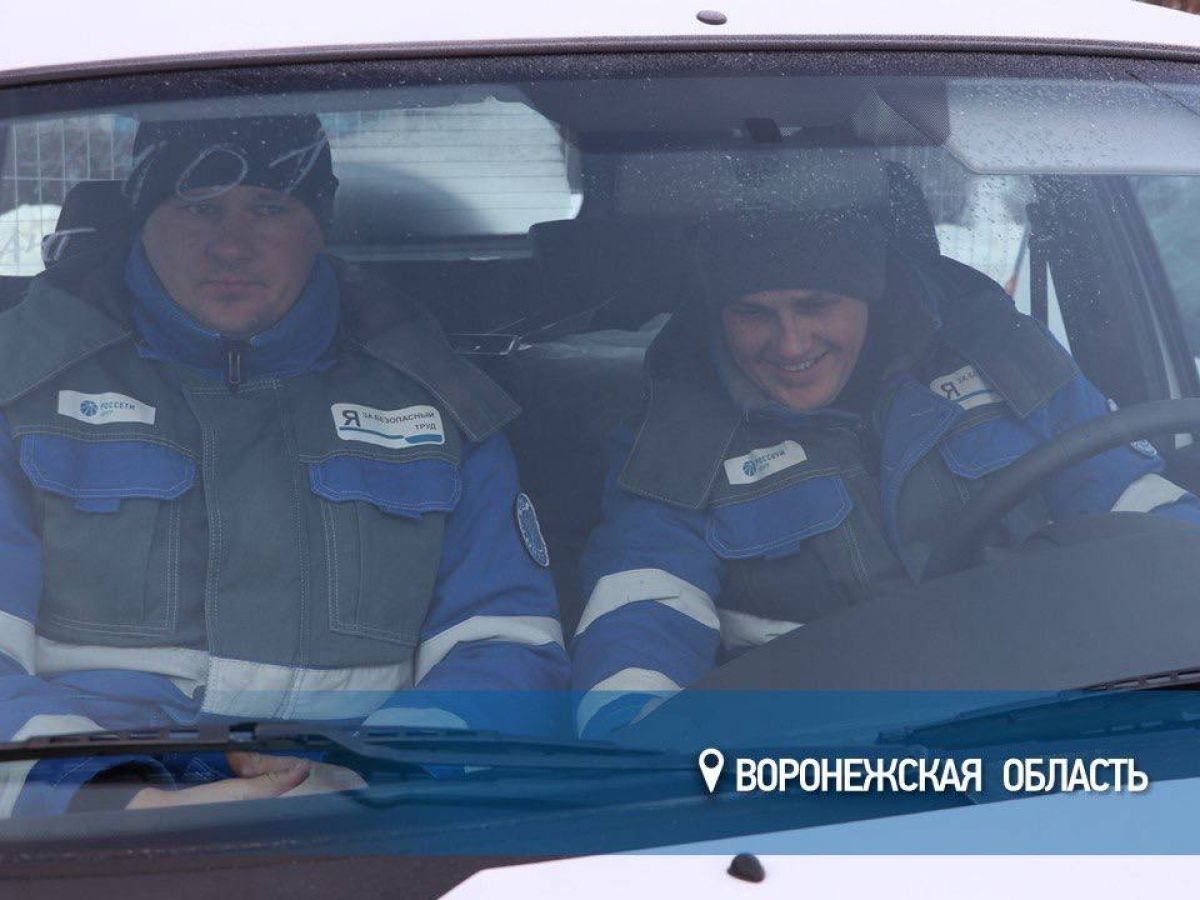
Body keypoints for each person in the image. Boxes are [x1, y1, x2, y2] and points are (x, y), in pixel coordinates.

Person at [0, 115, 569, 815]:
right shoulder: (17, 394)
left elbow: (504, 646)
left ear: (318, 228)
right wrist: (110, 798)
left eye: (270, 209)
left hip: (371, 828)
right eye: (199, 208)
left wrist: (377, 779)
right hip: (88, 837)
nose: (231, 245)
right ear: (144, 221)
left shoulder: (440, 406)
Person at [571, 202, 1200, 739]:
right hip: (826, 758)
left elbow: (1135, 503)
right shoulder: (673, 435)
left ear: (871, 294)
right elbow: (643, 610)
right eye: (753, 313)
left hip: (1069, 713)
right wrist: (634, 758)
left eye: (816, 305)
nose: (791, 344)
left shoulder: (1007, 357)